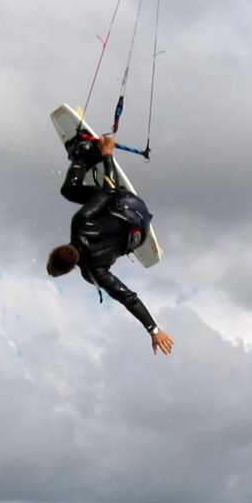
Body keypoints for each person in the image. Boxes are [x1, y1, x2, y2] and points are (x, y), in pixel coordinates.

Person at [47, 131, 174, 355]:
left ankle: (88, 156)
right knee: (70, 190)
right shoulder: (81, 222)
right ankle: (82, 152)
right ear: (60, 247)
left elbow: (127, 297)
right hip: (129, 204)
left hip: (139, 232)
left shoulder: (93, 273)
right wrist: (107, 155)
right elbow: (111, 189)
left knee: (108, 210)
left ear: (73, 268)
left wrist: (154, 331)